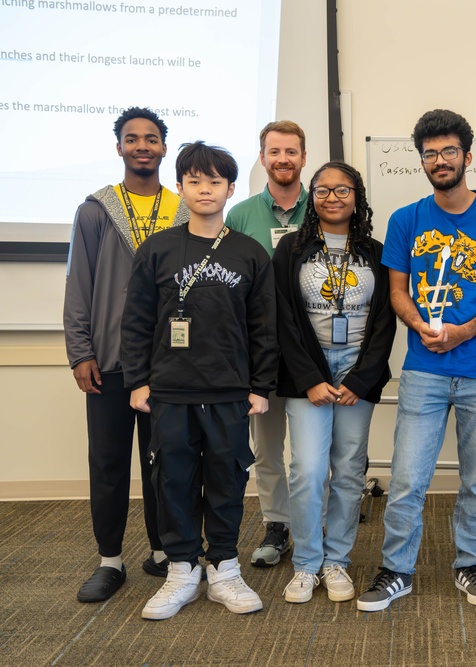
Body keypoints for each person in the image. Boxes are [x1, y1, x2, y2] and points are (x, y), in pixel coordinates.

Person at [357, 109, 476, 612]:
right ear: (422, 161)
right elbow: (396, 291)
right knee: (410, 478)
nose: (440, 160)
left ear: (467, 157)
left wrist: (465, 331)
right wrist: (420, 326)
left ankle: (469, 564)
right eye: (430, 153)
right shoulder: (406, 220)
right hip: (424, 370)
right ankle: (396, 570)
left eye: (449, 151)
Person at [122, 141, 278, 620]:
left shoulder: (249, 253)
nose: (205, 189)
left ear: (231, 189)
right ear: (181, 186)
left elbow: (264, 326)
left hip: (230, 390)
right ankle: (182, 570)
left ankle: (225, 569)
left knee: (227, 481)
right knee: (174, 481)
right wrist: (138, 380)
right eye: (195, 181)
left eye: (215, 181)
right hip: (169, 389)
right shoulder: (158, 249)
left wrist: (260, 386)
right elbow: (136, 321)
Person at [65, 107, 189, 603]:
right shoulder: (94, 210)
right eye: (132, 138)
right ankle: (110, 560)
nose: (142, 145)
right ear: (119, 147)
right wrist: (80, 351)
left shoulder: (184, 209)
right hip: (110, 361)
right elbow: (78, 285)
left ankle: (163, 552)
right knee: (110, 462)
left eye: (152, 138)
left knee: (167, 462)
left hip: (169, 364)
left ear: (164, 147)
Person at [272, 161, 395, 604]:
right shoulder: (290, 249)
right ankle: (306, 563)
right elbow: (283, 318)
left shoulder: (377, 251)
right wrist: (308, 378)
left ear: (357, 197)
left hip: (356, 375)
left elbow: (384, 322)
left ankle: (336, 561)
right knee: (306, 470)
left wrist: (361, 379)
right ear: (312, 197)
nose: (333, 198)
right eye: (323, 190)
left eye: (343, 190)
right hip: (309, 371)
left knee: (348, 471)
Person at [225, 120, 309, 567]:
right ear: (262, 158)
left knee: (315, 449)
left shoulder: (324, 207)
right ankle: (278, 527)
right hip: (261, 354)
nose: (283, 159)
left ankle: (316, 522)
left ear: (303, 157)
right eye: (274, 152)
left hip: (315, 354)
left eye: (291, 151)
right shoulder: (239, 216)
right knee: (268, 447)